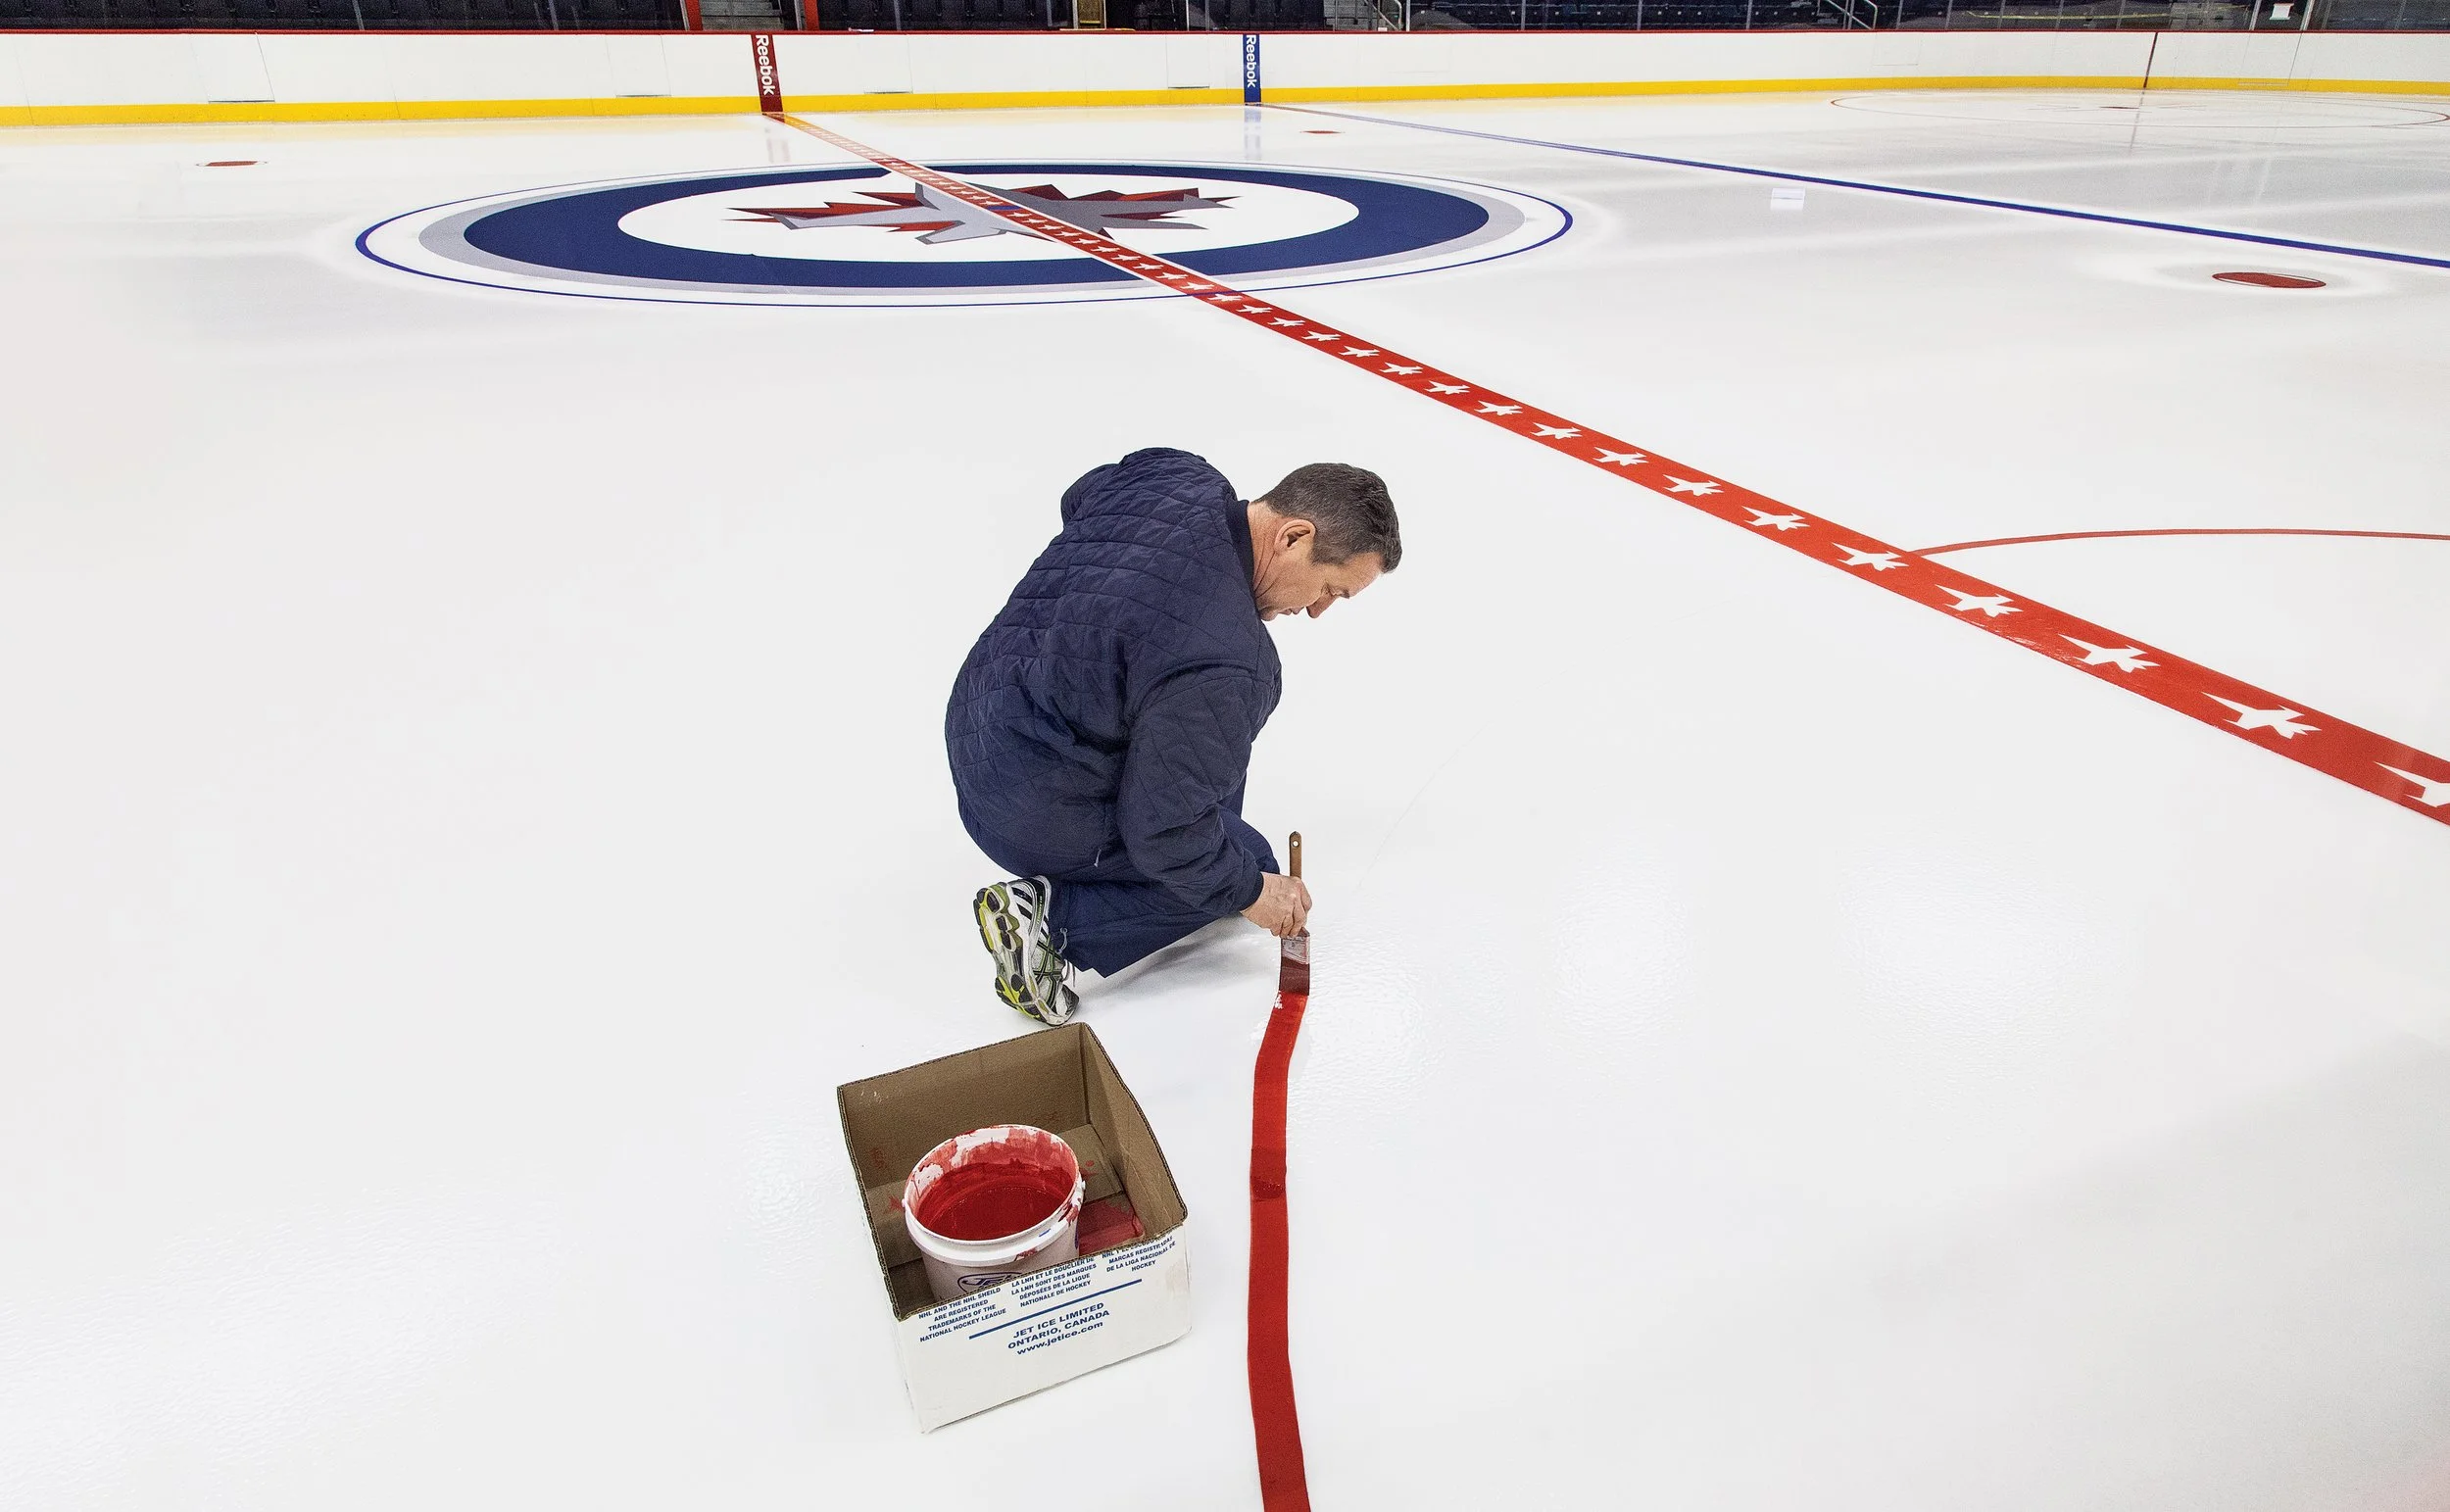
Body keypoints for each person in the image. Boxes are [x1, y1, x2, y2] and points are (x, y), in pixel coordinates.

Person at [946, 448, 1400, 1024]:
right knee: (1242, 862)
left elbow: (1081, 499)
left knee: (1198, 754)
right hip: (1026, 806)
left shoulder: (1177, 475)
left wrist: (1126, 595)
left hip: (978, 721)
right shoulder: (1231, 660)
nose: (1317, 612)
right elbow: (1167, 837)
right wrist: (1251, 891)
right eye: (1330, 588)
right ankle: (1052, 921)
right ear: (1294, 536)